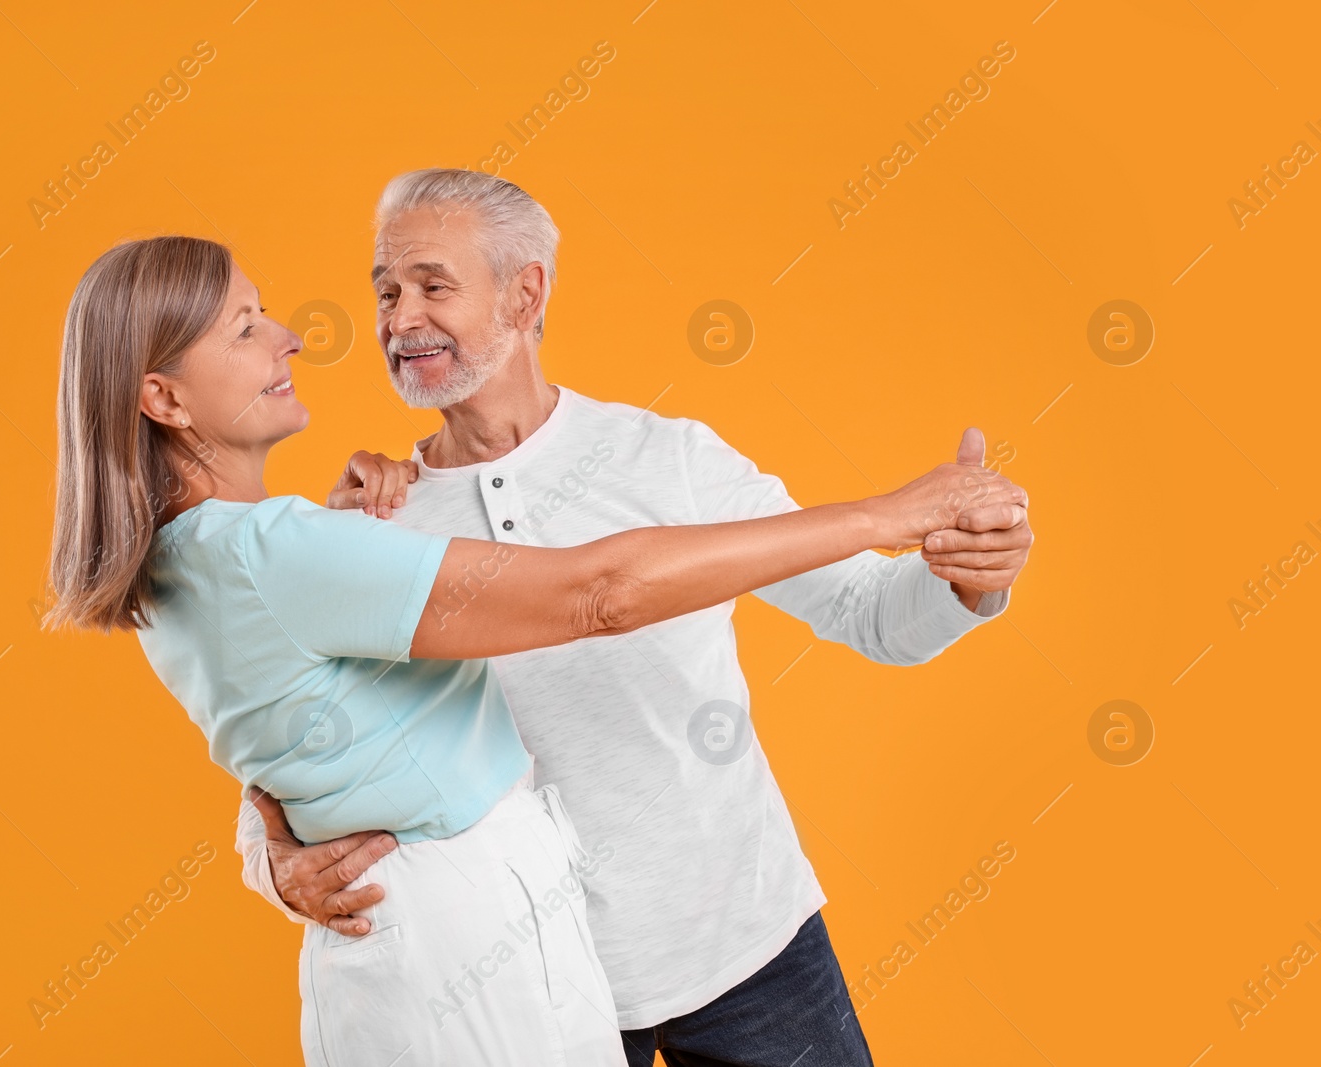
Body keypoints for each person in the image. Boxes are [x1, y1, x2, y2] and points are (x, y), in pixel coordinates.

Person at [235, 169, 1036, 1066]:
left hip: (749, 952)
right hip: (534, 995)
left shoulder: (670, 459)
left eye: (431, 284)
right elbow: (298, 751)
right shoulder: (368, 527)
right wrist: (272, 870)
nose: (398, 319)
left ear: (525, 289)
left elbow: (871, 612)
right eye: (385, 292)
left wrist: (969, 576)